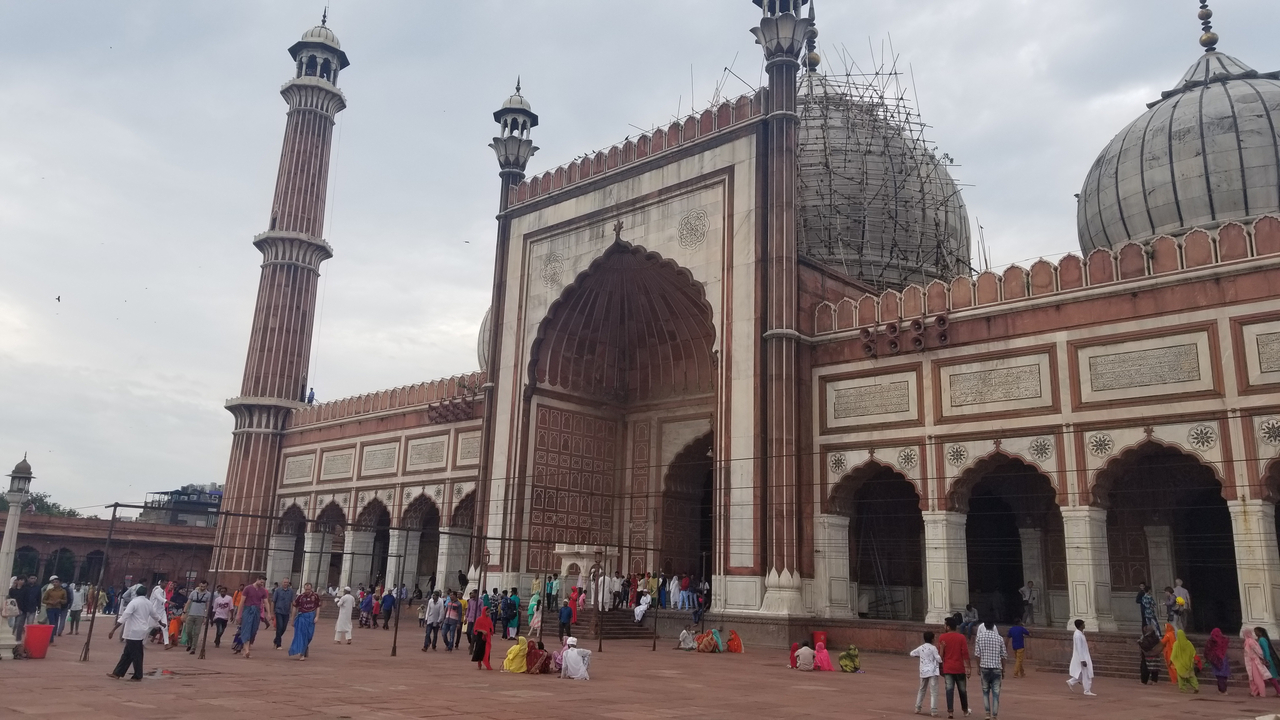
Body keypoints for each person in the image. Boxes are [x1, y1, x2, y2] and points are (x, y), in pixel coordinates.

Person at [107, 583, 167, 681]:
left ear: (136, 593)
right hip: (141, 631)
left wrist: (113, 630)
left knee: (136, 655)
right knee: (128, 654)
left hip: (133, 632)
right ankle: (117, 672)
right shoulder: (148, 603)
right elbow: (155, 615)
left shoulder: (134, 602)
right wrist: (162, 623)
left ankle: (138, 675)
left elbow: (124, 616)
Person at [938, 617, 971, 719]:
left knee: (949, 690)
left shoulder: (942, 638)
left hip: (948, 668)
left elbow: (940, 656)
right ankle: (965, 710)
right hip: (959, 668)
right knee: (962, 690)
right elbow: (965, 653)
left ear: (948, 627)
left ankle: (950, 712)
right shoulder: (961, 637)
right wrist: (968, 667)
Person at [974, 620, 1006, 719]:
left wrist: (978, 667)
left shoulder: (979, 637)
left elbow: (977, 654)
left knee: (985, 692)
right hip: (996, 667)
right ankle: (994, 715)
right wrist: (1003, 670)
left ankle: (987, 713)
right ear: (993, 627)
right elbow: (1003, 656)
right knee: (996, 693)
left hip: (984, 667)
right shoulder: (999, 638)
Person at [237, 575, 270, 659]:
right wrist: (238, 614)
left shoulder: (263, 591)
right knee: (246, 628)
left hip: (256, 611)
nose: (262, 584)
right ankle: (246, 650)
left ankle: (247, 647)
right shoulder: (248, 588)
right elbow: (242, 602)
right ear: (257, 580)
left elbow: (266, 602)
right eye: (261, 582)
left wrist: (269, 613)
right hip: (248, 610)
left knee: (254, 630)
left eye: (263, 583)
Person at [911, 631, 942, 716]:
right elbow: (939, 659)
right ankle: (933, 710)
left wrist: (921, 657)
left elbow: (912, 653)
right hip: (932, 671)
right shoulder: (933, 648)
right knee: (934, 691)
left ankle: (918, 707)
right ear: (932, 639)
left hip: (923, 670)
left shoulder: (921, 647)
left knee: (922, 689)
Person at [288, 582, 321, 660]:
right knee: (302, 635)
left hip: (311, 617)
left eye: (309, 589)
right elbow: (294, 607)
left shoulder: (315, 596)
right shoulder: (300, 597)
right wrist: (292, 619)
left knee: (310, 636)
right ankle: (301, 653)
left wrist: (317, 616)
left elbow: (318, 606)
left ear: (311, 589)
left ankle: (305, 647)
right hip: (302, 616)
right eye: (306, 589)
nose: (307, 591)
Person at [1243, 627, 1280, 696]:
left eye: (1256, 632)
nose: (1255, 633)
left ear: (1260, 632)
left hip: (1265, 660)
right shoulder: (1258, 640)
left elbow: (1266, 650)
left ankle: (1278, 691)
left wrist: (1267, 659)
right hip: (1263, 659)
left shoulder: (1262, 640)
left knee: (1270, 677)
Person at [1066, 618, 1096, 696]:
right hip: (1082, 657)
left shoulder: (1080, 633)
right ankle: (1087, 690)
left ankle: (1071, 682)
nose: (1084, 625)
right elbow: (1079, 648)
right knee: (1087, 673)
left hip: (1084, 655)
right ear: (1080, 625)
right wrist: (1082, 659)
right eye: (1083, 624)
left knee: (1083, 673)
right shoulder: (1078, 635)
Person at [183, 580, 211, 654]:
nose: (202, 588)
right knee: (188, 631)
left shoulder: (208, 594)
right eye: (201, 586)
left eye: (204, 587)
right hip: (191, 614)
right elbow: (188, 602)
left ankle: (193, 648)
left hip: (200, 615)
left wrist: (206, 616)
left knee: (196, 633)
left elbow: (208, 606)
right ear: (199, 585)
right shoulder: (193, 592)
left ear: (206, 586)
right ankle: (190, 643)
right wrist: (184, 612)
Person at [269, 577, 294, 650]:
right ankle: (278, 644)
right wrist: (272, 612)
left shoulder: (291, 591)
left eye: (287, 582)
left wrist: (293, 613)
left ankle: (276, 640)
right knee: (279, 627)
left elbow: (292, 602)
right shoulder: (278, 591)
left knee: (284, 628)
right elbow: (273, 601)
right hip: (278, 611)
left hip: (286, 612)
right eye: (284, 582)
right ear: (282, 583)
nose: (286, 584)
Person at [42, 576, 68, 644]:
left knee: (55, 623)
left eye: (56, 582)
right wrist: (50, 602)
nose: (55, 583)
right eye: (53, 582)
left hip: (57, 608)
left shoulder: (63, 591)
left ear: (60, 583)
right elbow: (43, 600)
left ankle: (51, 637)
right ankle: (50, 639)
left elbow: (65, 601)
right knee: (52, 622)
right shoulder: (49, 591)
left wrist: (59, 600)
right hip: (50, 608)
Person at [1205, 628, 1230, 694]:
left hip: (1215, 659)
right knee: (1223, 675)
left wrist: (1207, 658)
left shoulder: (1211, 640)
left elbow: (1207, 649)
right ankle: (1223, 689)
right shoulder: (1223, 639)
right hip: (1223, 658)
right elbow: (1227, 640)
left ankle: (1222, 690)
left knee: (1219, 675)